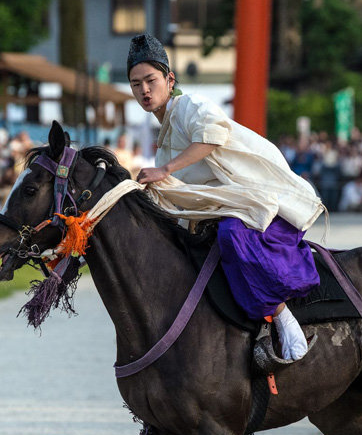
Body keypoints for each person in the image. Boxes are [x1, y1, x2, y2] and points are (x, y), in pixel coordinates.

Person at [128, 33, 324, 360]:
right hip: (234, 212)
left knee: (231, 232)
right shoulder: (162, 147)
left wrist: (164, 172)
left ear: (169, 79)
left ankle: (282, 316)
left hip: (268, 206)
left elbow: (212, 138)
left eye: (150, 80)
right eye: (136, 85)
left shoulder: (191, 106)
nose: (144, 90)